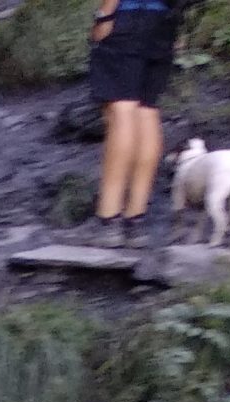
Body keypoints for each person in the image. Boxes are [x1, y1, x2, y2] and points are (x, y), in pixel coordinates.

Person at [87, 0, 176, 232]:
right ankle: (135, 218)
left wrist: (104, 16)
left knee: (121, 112)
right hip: (164, 23)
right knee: (146, 111)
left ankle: (108, 219)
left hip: (127, 21)